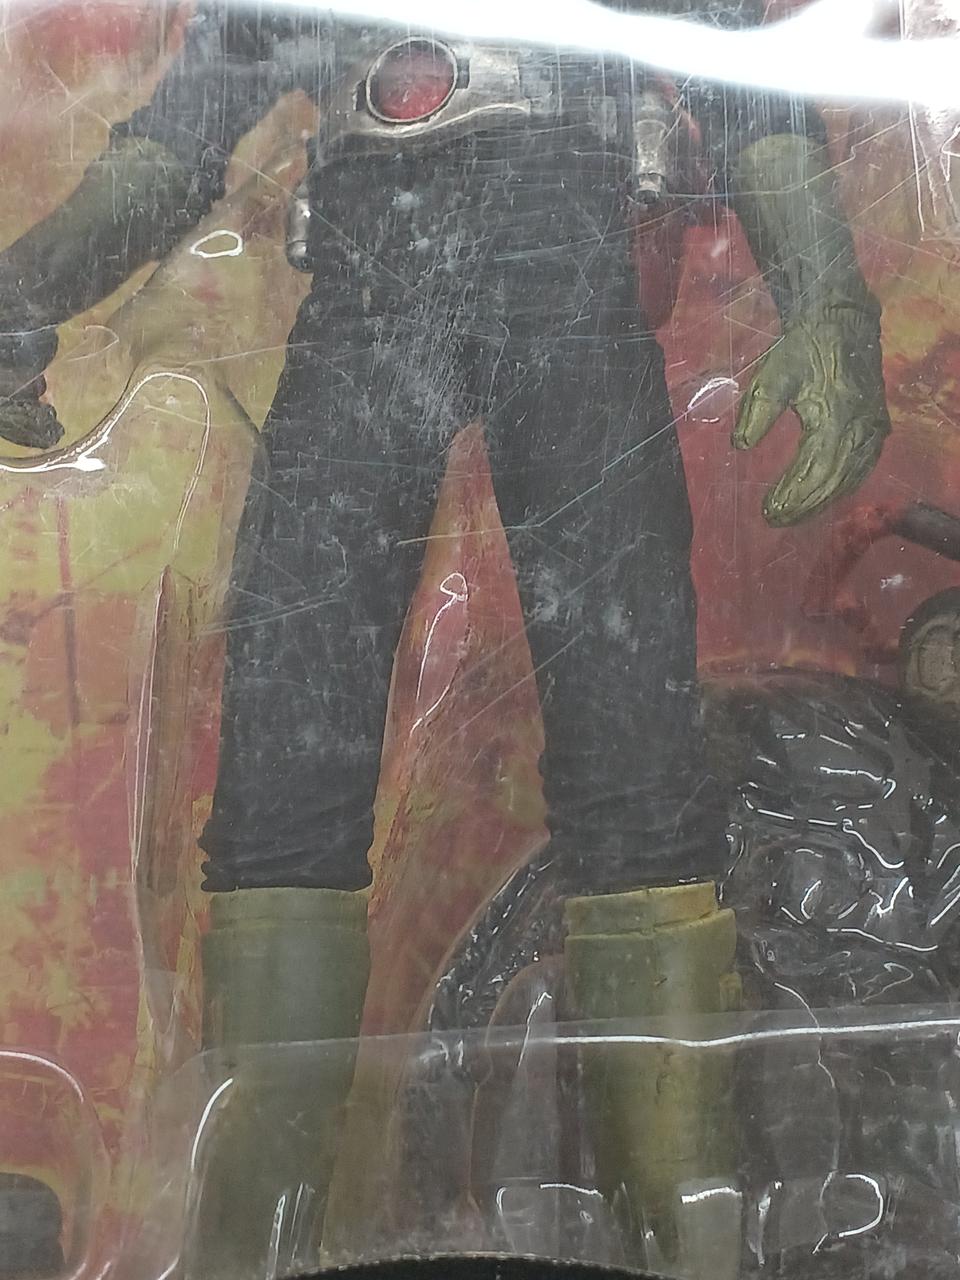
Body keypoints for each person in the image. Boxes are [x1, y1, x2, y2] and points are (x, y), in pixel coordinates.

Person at [0, 2, 890, 1274]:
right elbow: (179, 136)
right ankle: (255, 1224)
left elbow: (748, 91)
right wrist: (24, 291)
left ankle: (682, 1220)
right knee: (283, 781)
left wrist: (833, 305)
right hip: (370, 305)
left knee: (636, 768)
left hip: (566, 293)